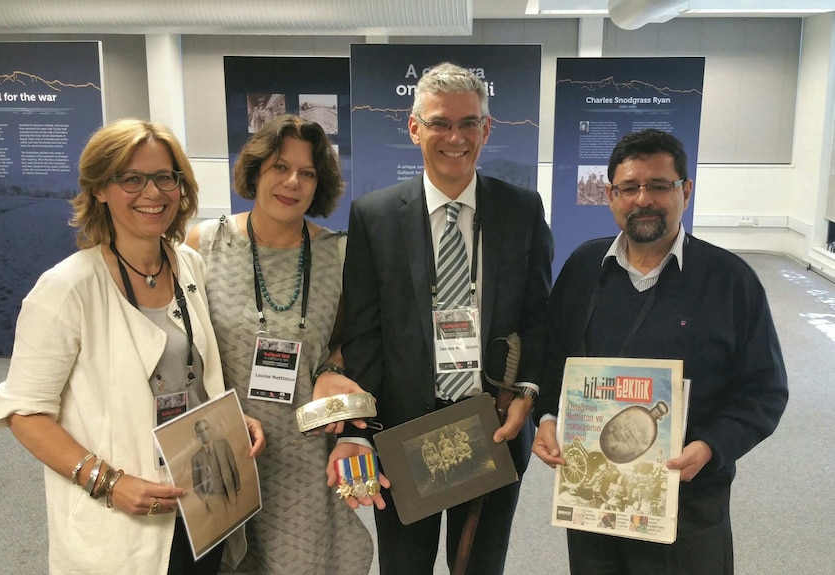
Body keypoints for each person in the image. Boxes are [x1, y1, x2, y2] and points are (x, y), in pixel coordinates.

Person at [0, 118, 266, 575]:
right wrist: (108, 482)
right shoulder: (67, 288)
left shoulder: (189, 265)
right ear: (100, 189)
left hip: (202, 499)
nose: (152, 193)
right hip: (123, 517)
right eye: (131, 179)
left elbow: (191, 373)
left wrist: (231, 419)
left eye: (164, 177)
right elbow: (24, 413)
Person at [532, 128, 789, 574]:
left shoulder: (730, 281)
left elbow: (764, 390)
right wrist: (549, 419)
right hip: (596, 502)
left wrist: (711, 446)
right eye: (629, 187)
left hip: (688, 504)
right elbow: (553, 360)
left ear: (685, 191)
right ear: (611, 195)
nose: (642, 199)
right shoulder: (582, 269)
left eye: (658, 185)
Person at [334, 62, 554, 575]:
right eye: (439, 123)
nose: (455, 137)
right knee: (404, 566)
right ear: (415, 129)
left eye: (469, 123)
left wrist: (527, 390)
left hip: (492, 424)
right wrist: (361, 430)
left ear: (486, 128)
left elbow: (538, 315)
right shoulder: (375, 215)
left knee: (478, 565)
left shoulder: (521, 210)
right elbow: (364, 331)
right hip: (405, 430)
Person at [187, 113, 373, 575]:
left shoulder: (340, 254)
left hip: (306, 454)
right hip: (229, 445)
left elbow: (353, 341)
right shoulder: (202, 244)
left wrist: (332, 367)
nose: (292, 182)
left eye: (307, 173)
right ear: (255, 171)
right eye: (279, 167)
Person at [191, 418, 241, 521]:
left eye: (206, 429)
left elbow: (233, 467)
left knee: (236, 522)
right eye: (201, 431)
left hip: (230, 492)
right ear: (197, 435)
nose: (204, 433)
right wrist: (206, 499)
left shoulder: (223, 444)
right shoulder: (196, 458)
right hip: (214, 499)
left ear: (210, 429)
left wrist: (237, 489)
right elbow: (196, 484)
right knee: (222, 525)